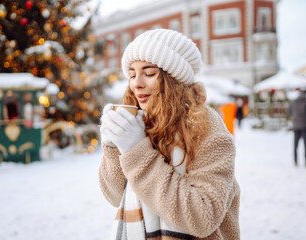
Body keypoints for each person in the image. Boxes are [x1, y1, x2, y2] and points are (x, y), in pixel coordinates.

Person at [99, 29, 240, 239]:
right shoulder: (139, 123)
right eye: (132, 74)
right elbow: (115, 195)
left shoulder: (206, 128)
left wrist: (137, 152)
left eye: (149, 73)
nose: (137, 83)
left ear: (173, 78)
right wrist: (112, 146)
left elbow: (202, 218)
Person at [288, 89, 306, 166]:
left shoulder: (293, 102)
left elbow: (289, 112)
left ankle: (295, 161)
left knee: (295, 145)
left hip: (296, 126)